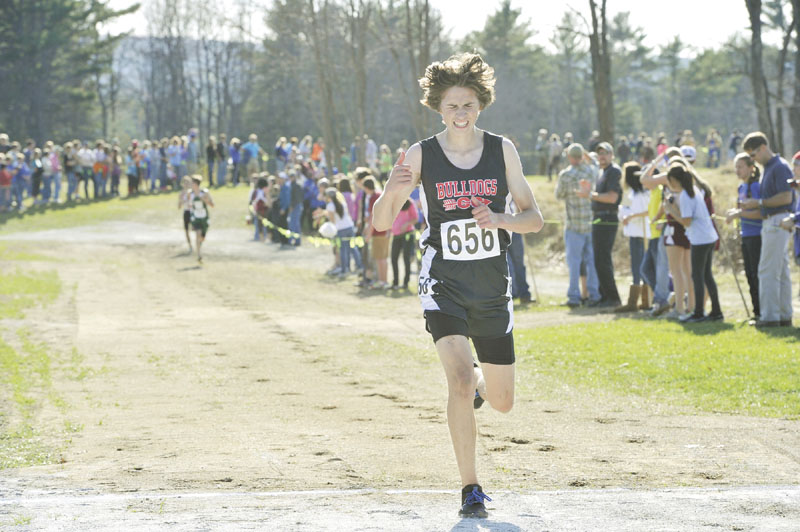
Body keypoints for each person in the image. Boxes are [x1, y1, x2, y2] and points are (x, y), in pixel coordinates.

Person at [371, 52, 544, 519]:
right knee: (460, 379)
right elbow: (382, 223)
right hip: (442, 281)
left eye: (467, 105)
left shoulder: (501, 150)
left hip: (491, 286)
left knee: (502, 402)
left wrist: (503, 218)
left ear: (480, 105)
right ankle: (470, 487)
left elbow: (535, 218)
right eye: (451, 106)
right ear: (438, 108)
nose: (460, 114)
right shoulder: (421, 153)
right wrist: (390, 190)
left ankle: (485, 390)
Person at [741, 132, 794, 327]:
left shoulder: (779, 167)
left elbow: (786, 197)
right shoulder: (769, 168)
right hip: (774, 220)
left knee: (767, 270)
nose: (752, 160)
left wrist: (759, 202)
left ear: (763, 147)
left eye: (753, 155)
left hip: (777, 220)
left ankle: (770, 317)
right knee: (780, 270)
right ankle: (783, 315)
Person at [663, 164, 723, 322]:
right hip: (708, 237)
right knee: (706, 275)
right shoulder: (694, 190)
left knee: (697, 275)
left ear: (675, 180)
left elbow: (686, 222)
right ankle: (716, 311)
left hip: (700, 239)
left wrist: (670, 208)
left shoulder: (685, 195)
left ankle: (698, 312)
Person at [555, 143, 601, 307]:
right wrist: (585, 152)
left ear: (569, 157)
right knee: (591, 261)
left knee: (574, 263)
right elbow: (595, 164)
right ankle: (594, 295)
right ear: (582, 156)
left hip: (573, 225)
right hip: (589, 223)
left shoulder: (565, 175)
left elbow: (558, 195)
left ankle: (574, 297)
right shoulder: (590, 171)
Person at [577, 141, 622, 308]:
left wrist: (590, 195)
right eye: (600, 153)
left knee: (603, 260)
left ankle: (613, 298)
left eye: (605, 153)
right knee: (598, 260)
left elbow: (612, 197)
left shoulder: (613, 171)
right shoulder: (603, 171)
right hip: (599, 219)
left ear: (611, 155)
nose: (602, 157)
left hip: (607, 219)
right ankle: (605, 297)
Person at [725, 153, 762, 321]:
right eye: (735, 167)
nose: (737, 170)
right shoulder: (740, 188)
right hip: (745, 235)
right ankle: (756, 311)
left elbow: (761, 213)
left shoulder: (755, 187)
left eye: (740, 167)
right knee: (748, 274)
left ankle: (762, 311)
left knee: (756, 274)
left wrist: (739, 213)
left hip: (756, 236)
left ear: (751, 168)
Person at [615, 161, 650, 312]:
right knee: (635, 265)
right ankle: (634, 300)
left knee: (641, 265)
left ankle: (645, 300)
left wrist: (631, 216)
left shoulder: (644, 193)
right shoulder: (630, 194)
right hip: (634, 232)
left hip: (642, 233)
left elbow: (648, 211)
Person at [362, 177, 389, 288]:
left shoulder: (373, 197)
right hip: (384, 230)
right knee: (383, 258)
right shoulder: (380, 194)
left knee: (379, 258)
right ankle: (384, 281)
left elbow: (373, 217)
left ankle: (383, 281)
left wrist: (368, 234)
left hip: (378, 232)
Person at [390, 199, 418, 290]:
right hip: (396, 235)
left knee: (406, 258)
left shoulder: (410, 203)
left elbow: (415, 218)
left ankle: (406, 283)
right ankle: (395, 282)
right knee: (394, 258)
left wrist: (407, 224)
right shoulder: (393, 202)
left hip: (407, 234)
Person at [188, 175, 214, 263]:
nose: (191, 185)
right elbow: (189, 206)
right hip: (195, 218)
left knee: (202, 237)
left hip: (204, 217)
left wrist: (204, 199)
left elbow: (212, 204)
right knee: (197, 234)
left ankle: (199, 247)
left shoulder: (205, 192)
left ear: (196, 184)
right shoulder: (190, 193)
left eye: (192, 183)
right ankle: (199, 254)